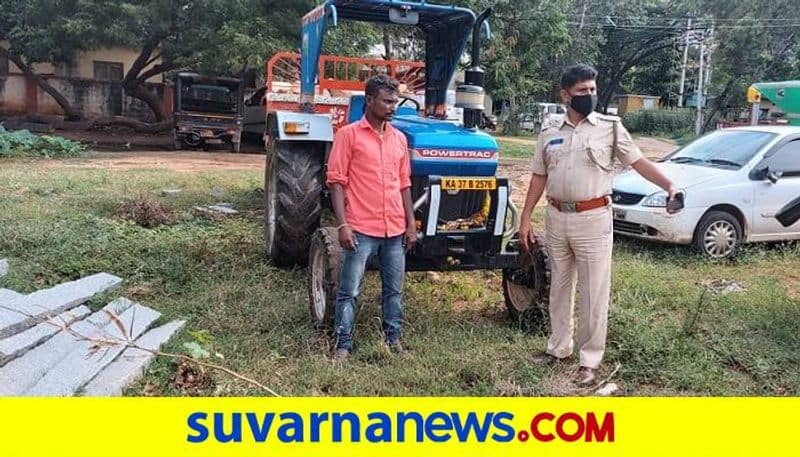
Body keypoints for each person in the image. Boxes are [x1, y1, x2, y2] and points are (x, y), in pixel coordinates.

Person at [518, 64, 679, 385]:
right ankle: (558, 347)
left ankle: (589, 361)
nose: (589, 95)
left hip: (594, 219)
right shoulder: (550, 131)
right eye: (582, 91)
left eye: (592, 89)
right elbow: (539, 175)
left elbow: (639, 162)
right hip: (556, 217)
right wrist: (525, 217)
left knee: (594, 292)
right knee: (559, 287)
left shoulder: (610, 127)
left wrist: (670, 187)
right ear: (565, 95)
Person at [325, 74, 417, 360]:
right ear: (370, 101)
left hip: (394, 231)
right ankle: (342, 344)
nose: (393, 107)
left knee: (394, 291)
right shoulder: (348, 135)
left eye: (395, 102)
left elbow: (404, 184)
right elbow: (336, 181)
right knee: (349, 291)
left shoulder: (399, 139)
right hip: (361, 229)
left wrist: (410, 223)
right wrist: (342, 224)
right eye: (387, 101)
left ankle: (393, 340)